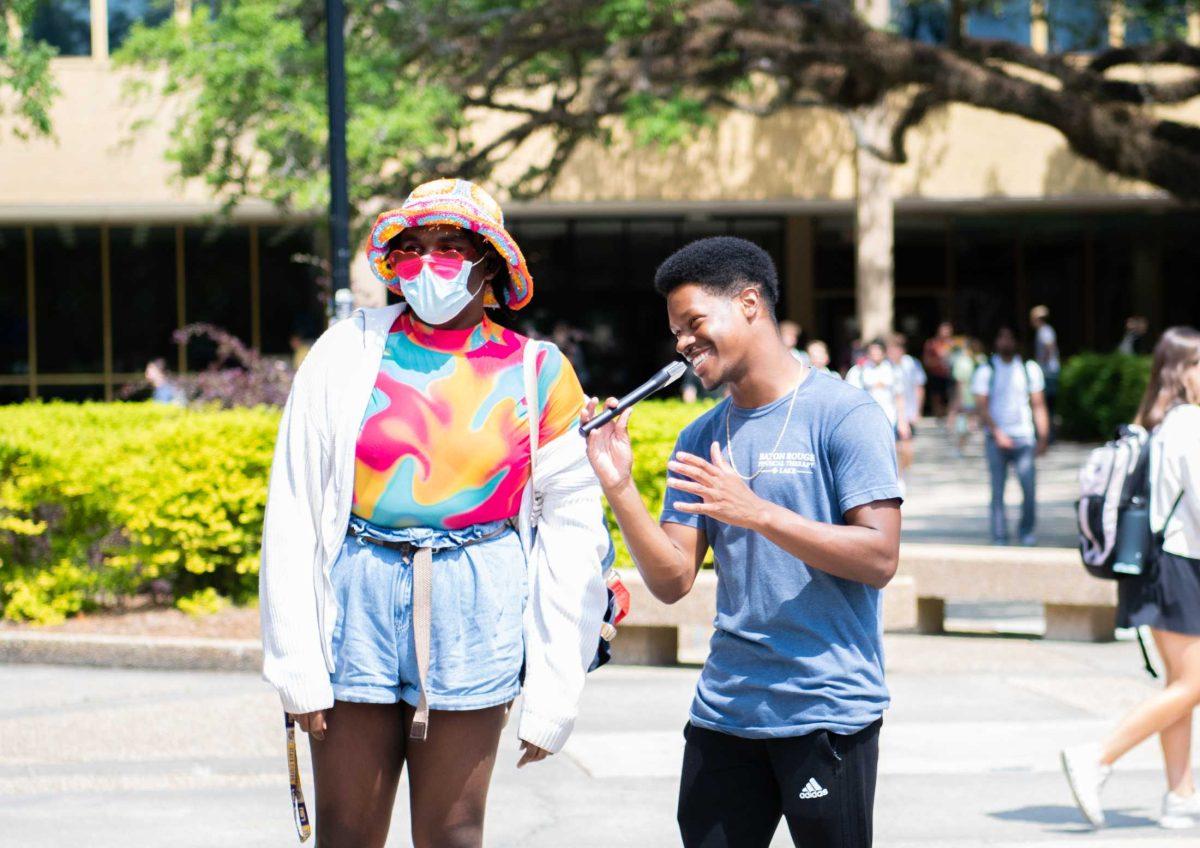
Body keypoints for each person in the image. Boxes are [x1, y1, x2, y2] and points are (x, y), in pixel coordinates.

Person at [258, 179, 610, 848]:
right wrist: (295, 661)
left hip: (478, 599)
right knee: (345, 834)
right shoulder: (344, 352)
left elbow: (573, 533)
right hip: (357, 593)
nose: (428, 263)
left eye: (449, 246)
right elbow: (296, 507)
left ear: (489, 262)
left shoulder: (539, 371)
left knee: (454, 834)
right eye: (413, 248)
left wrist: (555, 690)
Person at [583, 236, 902, 847]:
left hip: (827, 712)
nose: (682, 342)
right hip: (725, 712)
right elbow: (673, 580)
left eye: (695, 322)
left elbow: (880, 557)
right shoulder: (700, 437)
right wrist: (619, 486)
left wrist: (759, 513)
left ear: (750, 303)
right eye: (676, 330)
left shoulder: (844, 415)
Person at [1061, 326, 1200, 830]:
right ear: (1182, 371)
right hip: (1179, 565)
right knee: (1193, 683)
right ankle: (1096, 757)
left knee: (1182, 683)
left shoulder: (1161, 422)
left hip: (1161, 565)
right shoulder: (1189, 425)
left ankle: (1181, 794)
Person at [971, 327, 1050, 546]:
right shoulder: (986, 370)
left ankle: (1026, 530)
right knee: (997, 490)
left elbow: (1038, 404)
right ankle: (999, 534)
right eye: (1001, 337)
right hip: (996, 439)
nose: (1006, 341)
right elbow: (982, 407)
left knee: (1029, 488)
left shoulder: (1028, 369)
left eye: (1010, 337)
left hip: (1024, 436)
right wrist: (997, 433)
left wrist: (1043, 434)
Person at [847, 340, 910, 494]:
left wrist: (903, 420)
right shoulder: (858, 371)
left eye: (878, 351)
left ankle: (897, 478)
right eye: (872, 352)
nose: (875, 355)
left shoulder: (894, 370)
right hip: (866, 419)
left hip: (890, 416)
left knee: (898, 449)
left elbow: (899, 396)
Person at [887, 333, 926, 481]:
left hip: (908, 411)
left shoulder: (912, 364)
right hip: (890, 413)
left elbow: (919, 387)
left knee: (907, 448)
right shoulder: (885, 366)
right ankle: (897, 476)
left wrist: (918, 410)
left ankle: (902, 472)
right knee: (895, 446)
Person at [1030, 306, 1060, 439]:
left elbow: (1049, 348)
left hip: (1047, 372)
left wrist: (1041, 364)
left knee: (1045, 405)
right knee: (1048, 405)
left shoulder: (1044, 331)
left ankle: (1047, 436)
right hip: (1050, 371)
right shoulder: (1046, 330)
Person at [922, 321, 955, 419]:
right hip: (936, 375)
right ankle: (939, 417)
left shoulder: (954, 344)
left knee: (952, 398)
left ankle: (950, 419)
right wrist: (939, 360)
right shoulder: (931, 344)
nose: (945, 333)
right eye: (943, 330)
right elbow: (926, 361)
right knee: (936, 398)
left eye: (948, 330)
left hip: (951, 375)